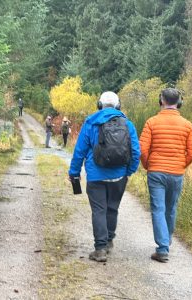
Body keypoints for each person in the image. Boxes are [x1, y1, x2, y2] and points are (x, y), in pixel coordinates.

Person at [69, 91, 141, 262]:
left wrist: (74, 172)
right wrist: (128, 171)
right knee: (112, 208)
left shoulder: (90, 123)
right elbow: (136, 152)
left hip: (95, 176)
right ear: (118, 106)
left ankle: (100, 249)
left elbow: (79, 151)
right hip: (119, 176)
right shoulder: (128, 124)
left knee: (99, 210)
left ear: (99, 105)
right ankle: (108, 241)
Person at [140, 88, 192, 263]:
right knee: (171, 208)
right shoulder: (187, 125)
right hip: (176, 173)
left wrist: (148, 165)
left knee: (158, 208)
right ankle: (166, 241)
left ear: (161, 101)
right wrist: (181, 164)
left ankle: (163, 247)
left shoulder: (152, 122)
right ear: (178, 103)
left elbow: (142, 150)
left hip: (156, 171)